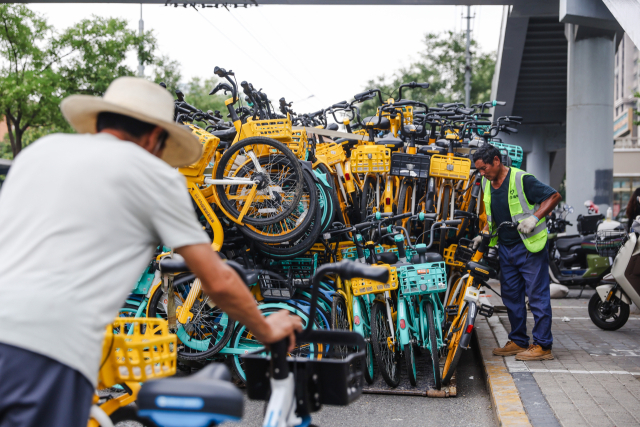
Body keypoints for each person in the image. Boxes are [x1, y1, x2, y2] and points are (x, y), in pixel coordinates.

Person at [0, 77, 302, 427]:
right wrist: (266, 329)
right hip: (48, 350)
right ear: (156, 138)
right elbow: (216, 280)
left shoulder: (40, 152)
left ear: (100, 122)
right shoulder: (152, 174)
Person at [472, 144, 561, 361]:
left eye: (484, 168)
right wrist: (484, 233)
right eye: (479, 170)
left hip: (529, 247)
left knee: (537, 297)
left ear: (496, 160)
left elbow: (554, 196)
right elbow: (494, 215)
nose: (482, 173)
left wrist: (535, 218)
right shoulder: (487, 182)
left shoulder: (522, 179)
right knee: (512, 297)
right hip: (506, 247)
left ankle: (542, 345)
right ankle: (518, 340)